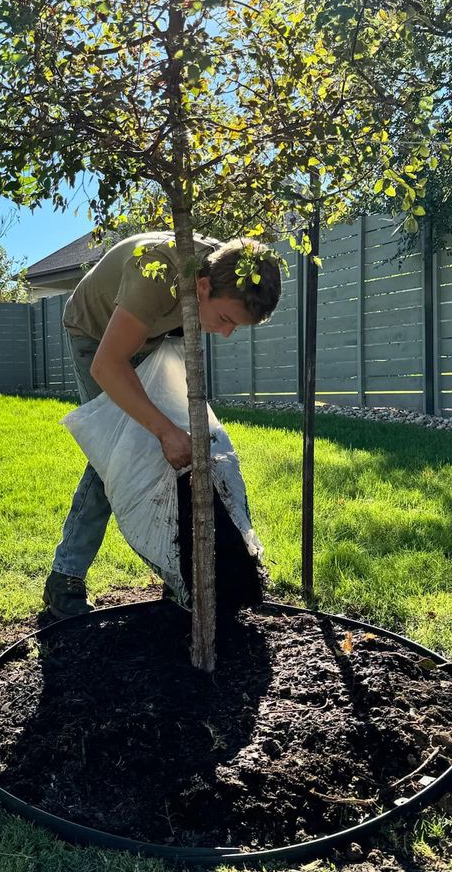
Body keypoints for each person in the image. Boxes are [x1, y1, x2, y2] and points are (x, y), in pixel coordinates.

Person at [43, 232, 283, 618]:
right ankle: (65, 577)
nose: (224, 334)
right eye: (224, 320)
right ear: (201, 287)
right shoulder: (156, 273)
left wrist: (172, 431)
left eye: (235, 327)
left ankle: (185, 576)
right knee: (117, 454)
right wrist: (164, 431)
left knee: (179, 444)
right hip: (97, 333)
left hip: (155, 335)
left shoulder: (226, 269)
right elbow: (108, 365)